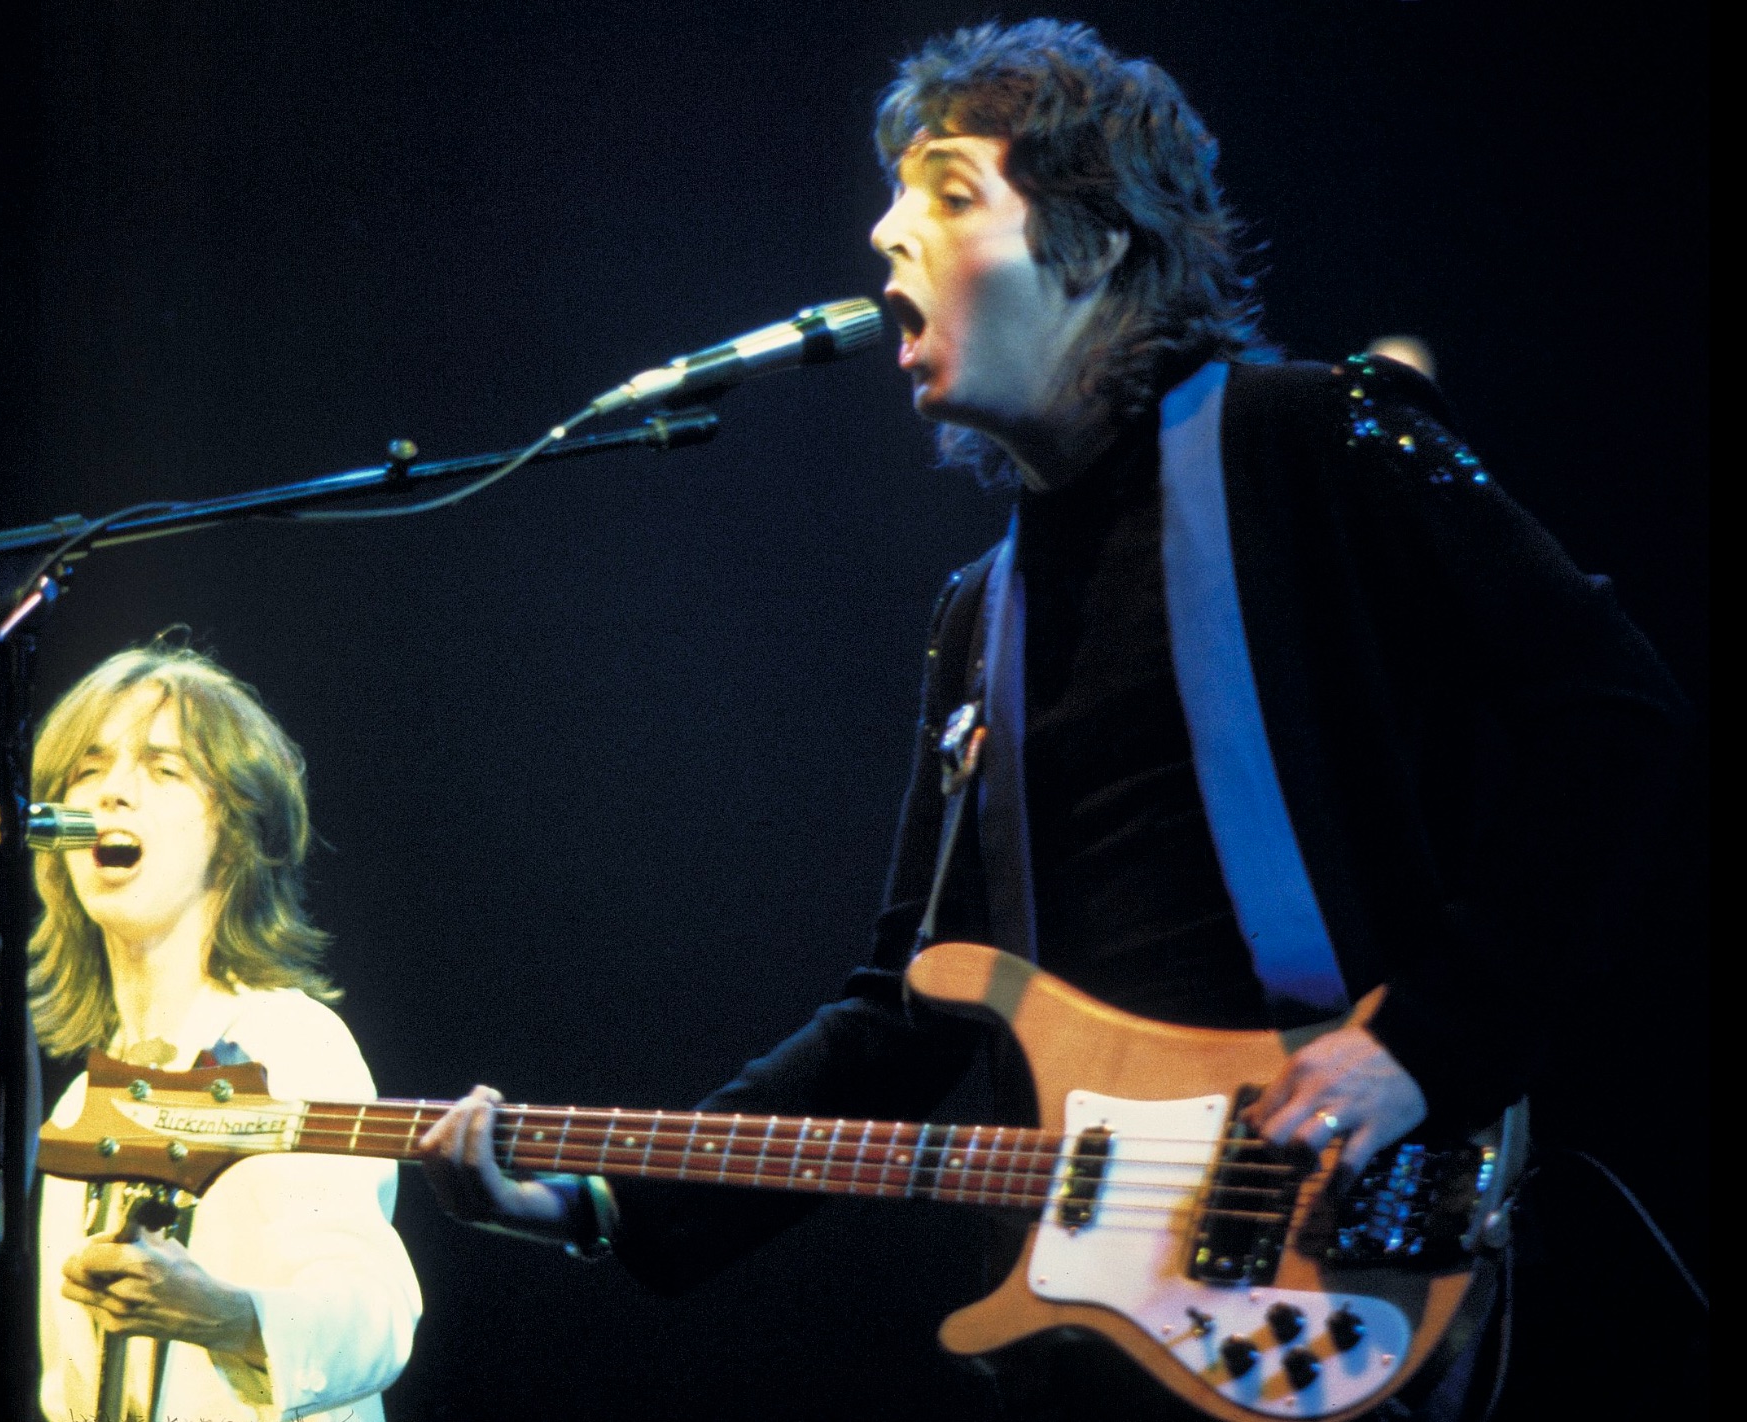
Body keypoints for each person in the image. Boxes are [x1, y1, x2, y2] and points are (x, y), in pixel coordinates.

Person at [415, 18, 1686, 1420]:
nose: (884, 229)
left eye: (951, 190)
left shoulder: (1312, 441)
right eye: (898, 193)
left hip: (1363, 1259)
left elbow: (1616, 716)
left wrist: (1425, 1041)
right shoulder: (984, 612)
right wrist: (600, 1199)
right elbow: (903, 1015)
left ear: (1096, 240)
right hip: (1113, 1331)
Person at [30, 640, 421, 1422]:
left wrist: (225, 1317)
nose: (112, 795)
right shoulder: (78, 1106)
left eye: (163, 770)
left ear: (236, 832)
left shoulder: (287, 1045)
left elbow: (373, 1317)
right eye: (89, 770)